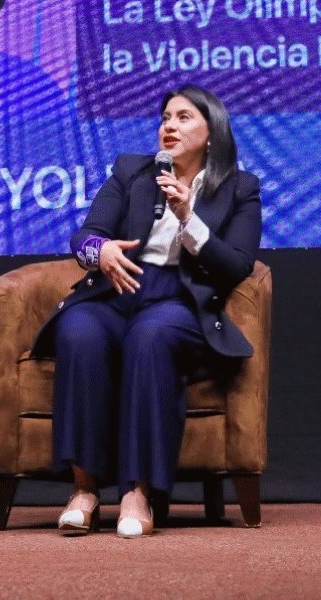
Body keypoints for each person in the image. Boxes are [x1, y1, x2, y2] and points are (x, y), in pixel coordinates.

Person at [29, 85, 262, 538]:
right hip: (117, 293)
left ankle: (138, 493)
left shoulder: (238, 188)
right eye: (165, 118)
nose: (169, 126)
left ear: (213, 132)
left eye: (183, 117)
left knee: (150, 337)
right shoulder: (131, 172)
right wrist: (102, 252)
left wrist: (187, 217)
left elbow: (237, 264)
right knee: (78, 330)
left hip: (179, 300)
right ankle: (84, 491)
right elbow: (85, 235)